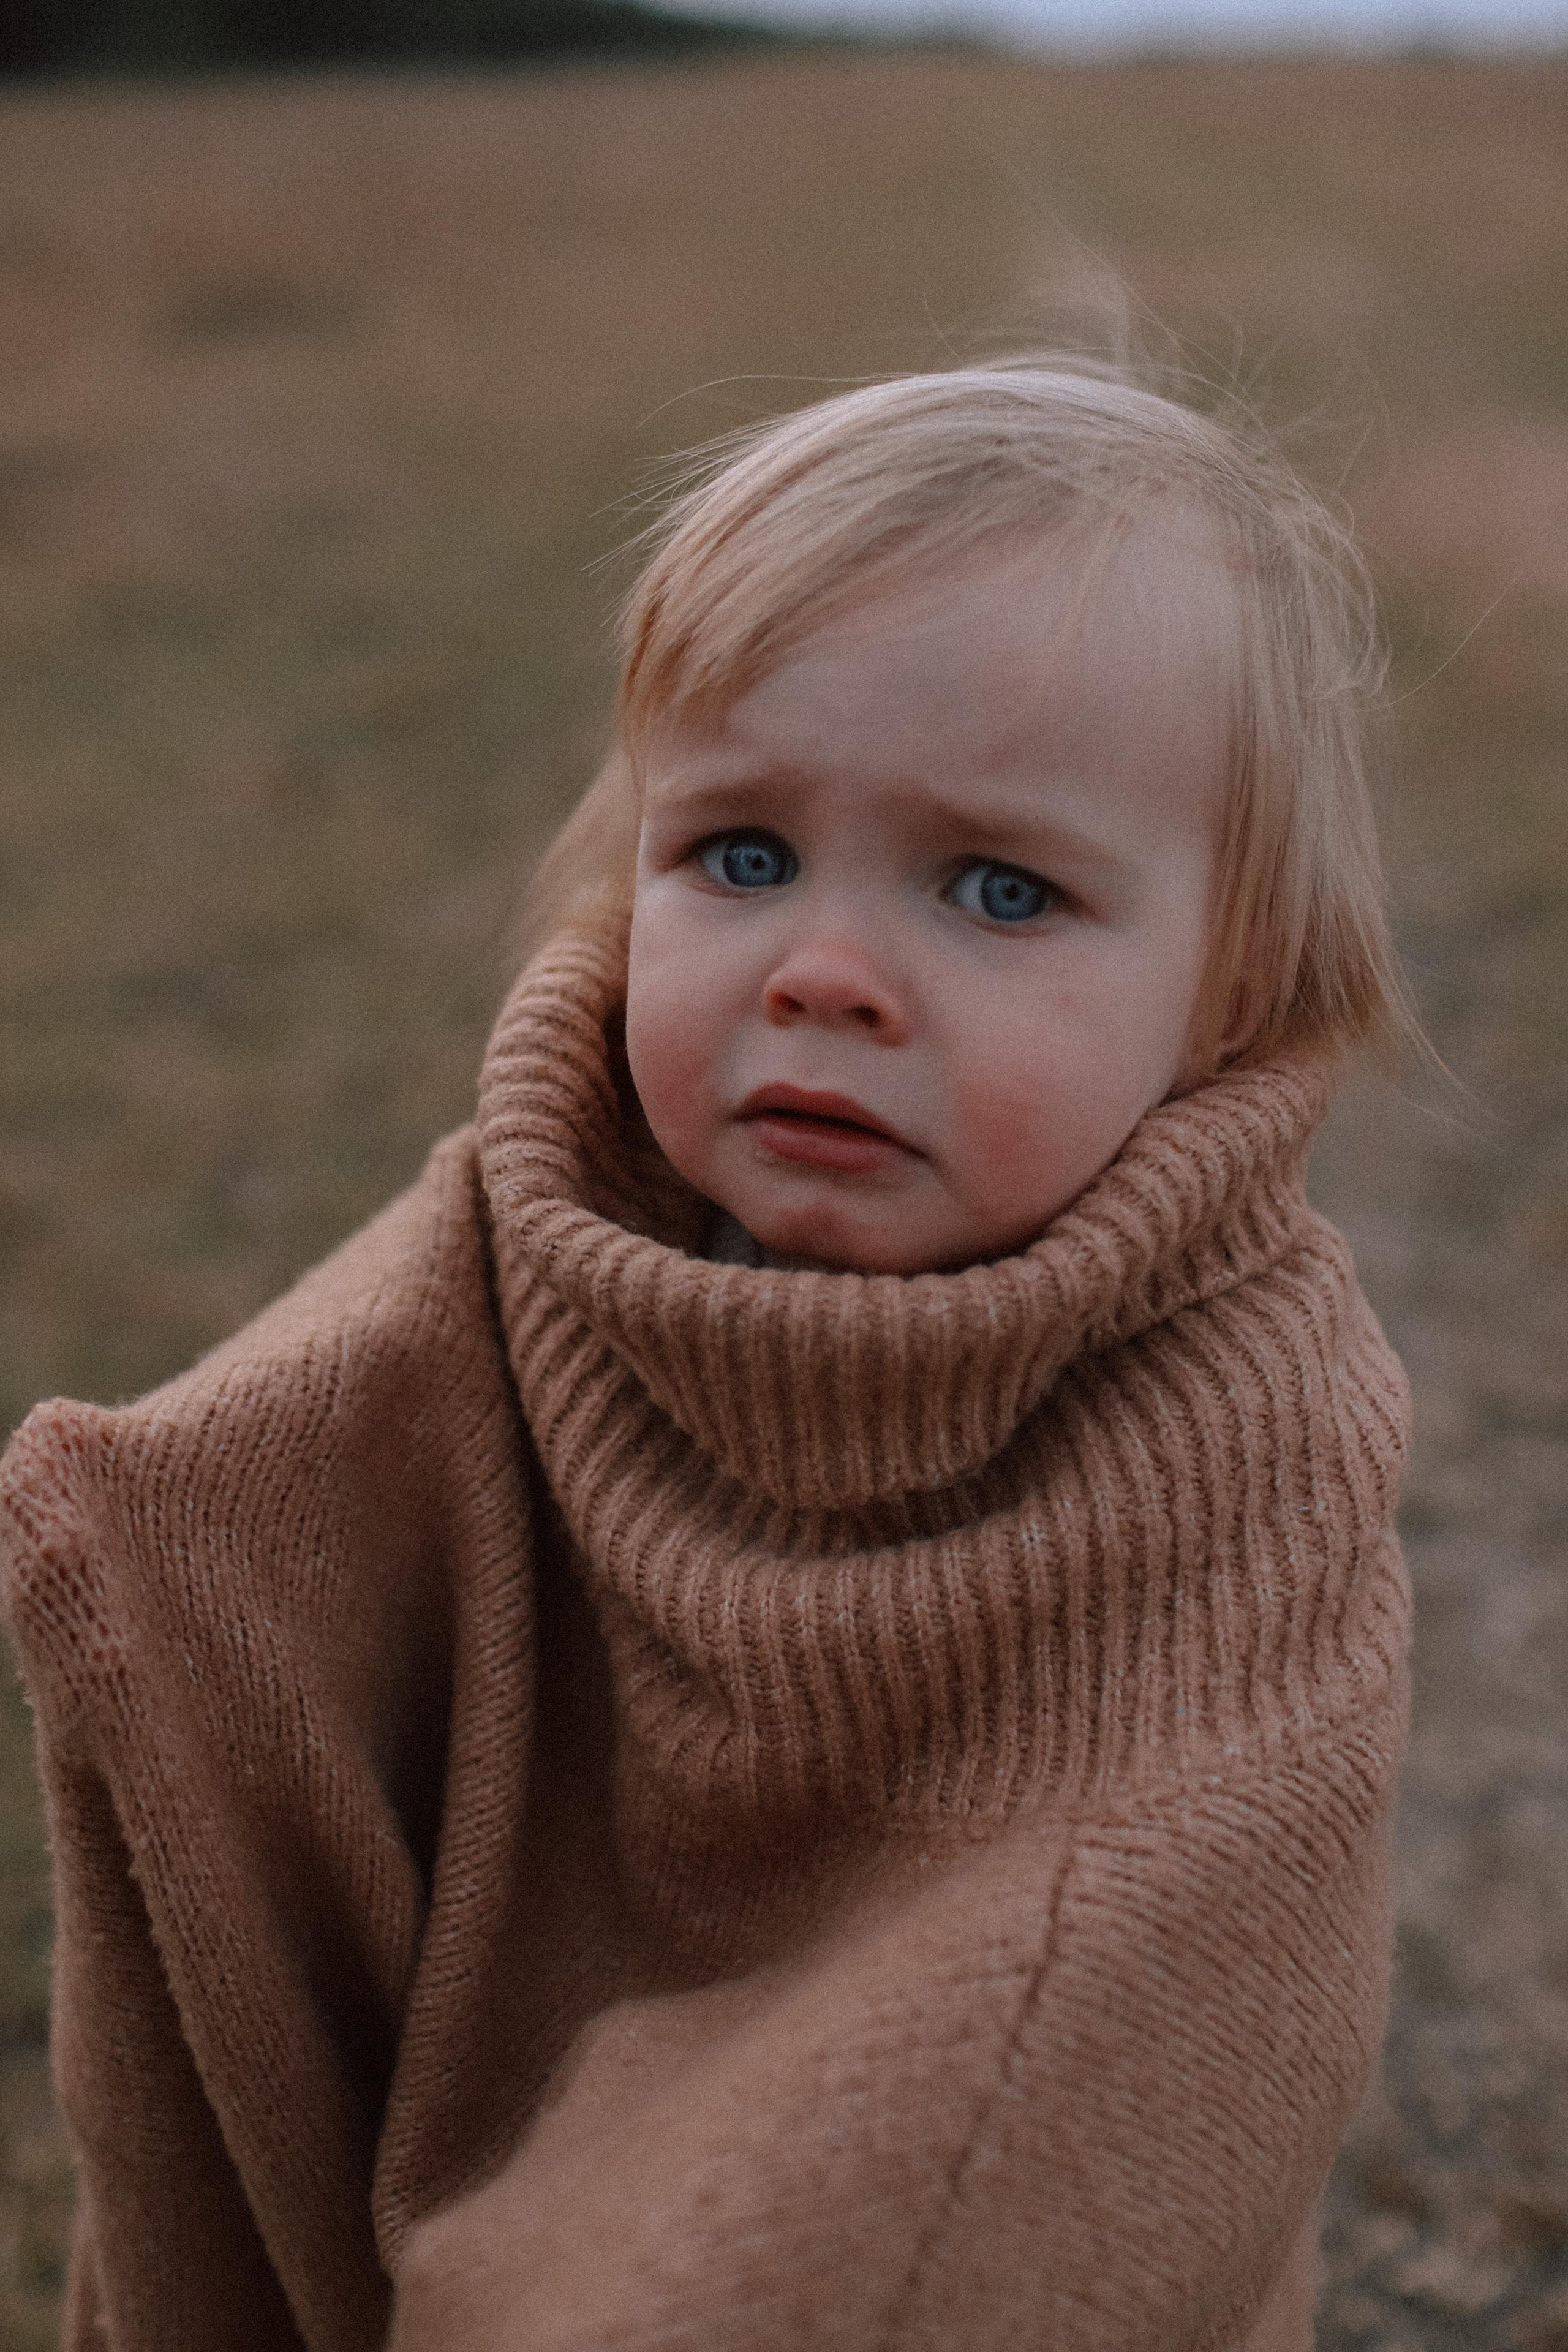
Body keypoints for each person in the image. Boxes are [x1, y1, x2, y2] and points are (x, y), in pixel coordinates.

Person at [0, 356, 1414, 2352]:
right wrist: (150, 1568)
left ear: (1229, 987)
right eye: (743, 856)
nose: (825, 974)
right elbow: (240, 1513)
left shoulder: (1249, 1434)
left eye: (999, 887)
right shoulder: (527, 1240)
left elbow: (1175, 1963)